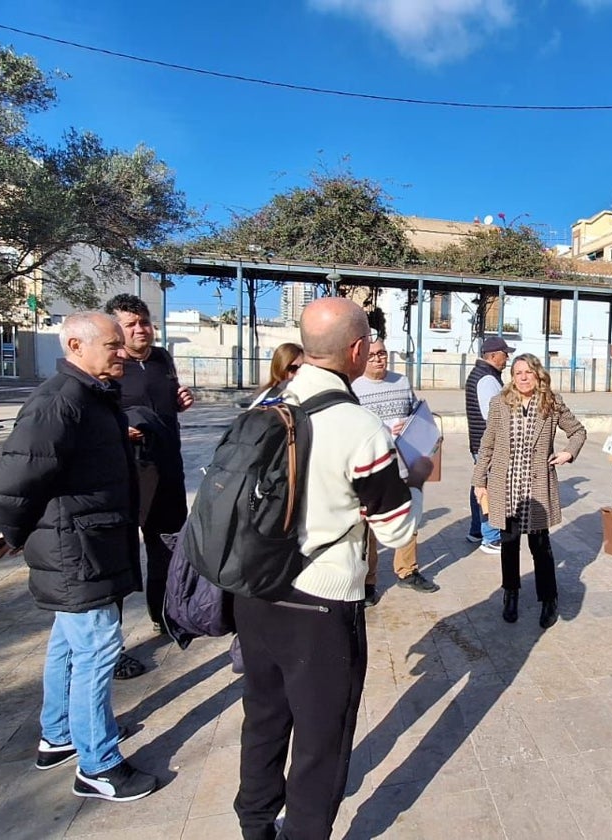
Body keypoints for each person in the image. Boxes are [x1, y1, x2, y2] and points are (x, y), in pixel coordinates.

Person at [233, 298, 432, 840]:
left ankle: (254, 826)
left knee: (265, 718)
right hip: (320, 606)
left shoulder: (265, 403)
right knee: (322, 738)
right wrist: (413, 476)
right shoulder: (358, 427)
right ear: (356, 349)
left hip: (255, 593)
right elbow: (393, 532)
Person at [0, 312, 160, 803]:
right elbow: (10, 485)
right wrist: (18, 534)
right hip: (76, 550)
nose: (122, 351)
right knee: (98, 651)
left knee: (69, 643)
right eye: (111, 344)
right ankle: (98, 764)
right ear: (75, 345)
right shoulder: (59, 402)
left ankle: (59, 734)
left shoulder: (89, 396)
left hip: (88, 543)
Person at [105, 294, 194, 677]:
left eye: (144, 321)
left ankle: (166, 616)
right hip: (127, 478)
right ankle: (112, 647)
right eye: (131, 324)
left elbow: (166, 404)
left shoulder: (162, 359)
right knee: (120, 562)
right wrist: (117, 429)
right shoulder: (109, 364)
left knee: (169, 550)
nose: (140, 329)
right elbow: (95, 416)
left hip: (169, 473)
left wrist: (180, 402)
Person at [472, 353, 586, 629]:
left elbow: (578, 431)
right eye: (518, 372)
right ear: (512, 376)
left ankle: (549, 599)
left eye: (528, 373)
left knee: (540, 546)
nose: (523, 378)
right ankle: (510, 594)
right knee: (508, 545)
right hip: (506, 486)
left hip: (536, 488)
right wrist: (479, 481)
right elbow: (487, 444)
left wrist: (567, 454)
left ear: (538, 375)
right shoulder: (499, 403)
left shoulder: (551, 402)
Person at [352, 338, 439, 604]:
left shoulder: (401, 382)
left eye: (383, 354)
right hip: (372, 470)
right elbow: (352, 428)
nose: (379, 358)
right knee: (368, 530)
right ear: (363, 357)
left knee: (409, 520)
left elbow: (416, 413)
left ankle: (407, 571)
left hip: (403, 466)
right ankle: (367, 582)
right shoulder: (353, 387)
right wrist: (386, 429)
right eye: (374, 355)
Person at [465, 336, 514, 554]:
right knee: (491, 490)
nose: (507, 358)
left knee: (480, 485)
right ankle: (491, 537)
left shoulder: (483, 375)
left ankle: (476, 530)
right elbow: (492, 416)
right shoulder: (486, 379)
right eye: (505, 354)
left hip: (480, 443)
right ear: (493, 356)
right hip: (489, 445)